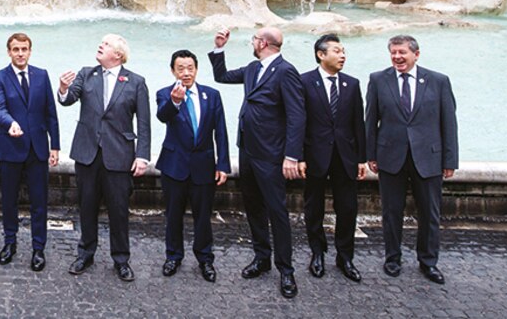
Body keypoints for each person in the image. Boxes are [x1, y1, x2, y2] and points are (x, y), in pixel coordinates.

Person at [209, 27, 306, 298]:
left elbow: (297, 116)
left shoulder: (286, 71)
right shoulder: (253, 68)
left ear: (263, 43)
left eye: (254, 40)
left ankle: (286, 270)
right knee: (253, 207)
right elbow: (222, 76)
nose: (252, 43)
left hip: (272, 155)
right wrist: (219, 49)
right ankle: (262, 258)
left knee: (277, 211)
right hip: (248, 151)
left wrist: (291, 156)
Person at [58, 35, 151, 282]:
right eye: (101, 42)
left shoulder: (136, 82)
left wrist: (142, 155)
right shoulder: (87, 74)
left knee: (119, 211)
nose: (101, 45)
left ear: (118, 55)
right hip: (87, 154)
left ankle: (121, 259)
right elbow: (68, 100)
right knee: (86, 206)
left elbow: (144, 123)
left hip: (119, 156)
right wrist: (63, 88)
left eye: (107, 44)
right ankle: (85, 254)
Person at [366, 35, 458, 285]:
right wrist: (370, 155)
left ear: (416, 54)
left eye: (402, 53)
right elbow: (370, 120)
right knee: (391, 212)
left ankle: (428, 262)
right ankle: (392, 259)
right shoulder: (377, 79)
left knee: (430, 213)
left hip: (428, 158)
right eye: (393, 53)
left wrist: (450, 160)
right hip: (390, 157)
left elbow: (448, 122)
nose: (397, 57)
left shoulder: (439, 81)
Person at [155, 50, 230, 283]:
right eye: (180, 68)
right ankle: (173, 256)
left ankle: (205, 259)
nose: (186, 73)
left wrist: (223, 164)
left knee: (203, 217)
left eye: (190, 68)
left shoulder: (212, 95)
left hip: (204, 165)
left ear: (196, 69)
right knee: (173, 215)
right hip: (174, 165)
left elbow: (221, 132)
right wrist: (176, 101)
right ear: (172, 71)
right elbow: (162, 116)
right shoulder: (165, 94)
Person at [0, 33, 60, 272]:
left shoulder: (42, 75)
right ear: (9, 52)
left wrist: (56, 146)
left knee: (39, 202)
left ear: (30, 51)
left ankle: (38, 247)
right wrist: (10, 123)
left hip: (38, 148)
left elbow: (51, 112)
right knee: (9, 201)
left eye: (24, 49)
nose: (20, 53)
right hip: (10, 147)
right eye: (16, 49)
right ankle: (10, 242)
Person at [299, 34, 366, 282]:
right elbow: (299, 121)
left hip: (345, 156)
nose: (342, 55)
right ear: (321, 54)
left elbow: (359, 123)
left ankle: (345, 257)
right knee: (313, 208)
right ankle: (317, 253)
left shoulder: (352, 83)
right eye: (337, 51)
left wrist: (362, 158)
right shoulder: (304, 81)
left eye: (344, 51)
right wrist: (298, 156)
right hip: (315, 154)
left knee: (347, 208)